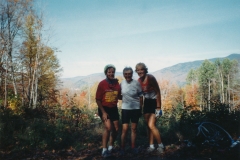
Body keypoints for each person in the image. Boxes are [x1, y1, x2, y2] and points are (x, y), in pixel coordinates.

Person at [135, 62, 164, 154]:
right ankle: (151, 146)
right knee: (148, 126)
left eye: (141, 69)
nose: (140, 71)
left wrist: (159, 107)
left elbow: (158, 91)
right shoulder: (138, 81)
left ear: (145, 70)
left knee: (152, 125)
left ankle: (160, 145)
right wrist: (140, 106)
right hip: (147, 103)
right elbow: (141, 96)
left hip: (154, 102)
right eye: (138, 70)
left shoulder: (150, 78)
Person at [95, 64, 121, 158]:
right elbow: (97, 99)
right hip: (104, 108)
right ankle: (104, 149)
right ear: (106, 73)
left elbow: (119, 96)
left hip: (113, 108)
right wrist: (103, 112)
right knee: (108, 128)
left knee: (116, 129)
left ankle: (111, 146)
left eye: (113, 72)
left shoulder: (116, 83)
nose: (111, 73)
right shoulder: (102, 84)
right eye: (109, 72)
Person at [120, 67, 143, 155]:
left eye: (129, 74)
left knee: (134, 129)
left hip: (135, 108)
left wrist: (141, 107)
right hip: (125, 109)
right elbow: (118, 95)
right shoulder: (121, 83)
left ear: (132, 74)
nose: (127, 75)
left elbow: (141, 96)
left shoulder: (136, 83)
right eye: (126, 74)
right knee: (124, 129)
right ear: (123, 75)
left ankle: (133, 147)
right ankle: (122, 148)